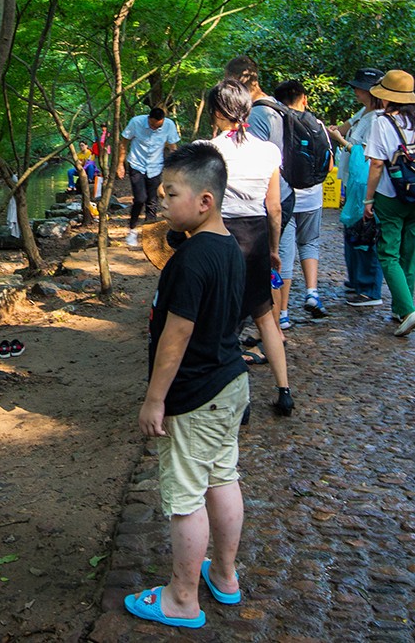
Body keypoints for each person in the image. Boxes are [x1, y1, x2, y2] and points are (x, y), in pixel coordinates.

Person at [125, 143, 249, 630]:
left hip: (196, 393)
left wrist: (155, 400)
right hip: (229, 381)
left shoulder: (192, 260)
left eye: (170, 193)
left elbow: (175, 337)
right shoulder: (228, 247)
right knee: (222, 477)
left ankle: (182, 597)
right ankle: (224, 574)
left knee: (185, 496)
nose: (161, 201)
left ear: (205, 201)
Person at [203, 80, 294, 416]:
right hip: (256, 237)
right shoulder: (268, 151)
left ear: (216, 111)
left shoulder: (207, 151)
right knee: (265, 318)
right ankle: (284, 390)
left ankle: (239, 403)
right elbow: (274, 207)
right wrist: (273, 248)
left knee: (223, 322)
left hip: (220, 237)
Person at [363, 70, 415, 337]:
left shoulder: (383, 123)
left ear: (387, 97)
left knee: (388, 255)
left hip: (391, 195)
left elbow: (377, 164)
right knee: (408, 253)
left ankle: (409, 311)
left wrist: (368, 198)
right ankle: (402, 308)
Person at [224, 57, 294, 331]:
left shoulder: (257, 114)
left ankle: (264, 332)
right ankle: (274, 332)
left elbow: (257, 163)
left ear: (240, 79)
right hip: (284, 193)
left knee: (261, 271)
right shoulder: (277, 107)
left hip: (267, 200)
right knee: (267, 269)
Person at [273, 80, 334, 324]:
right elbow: (328, 165)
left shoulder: (277, 123)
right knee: (309, 243)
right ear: (304, 98)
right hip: (313, 196)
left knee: (285, 253)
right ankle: (312, 293)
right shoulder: (317, 123)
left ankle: (284, 314)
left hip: (286, 197)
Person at [328, 68, 385, 307]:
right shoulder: (364, 113)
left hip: (368, 183)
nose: (355, 91)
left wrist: (342, 142)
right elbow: (343, 129)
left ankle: (370, 288)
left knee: (367, 233)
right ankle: (356, 280)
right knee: (353, 229)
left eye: (359, 87)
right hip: (354, 181)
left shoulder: (380, 119)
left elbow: (369, 155)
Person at [119, 106, 181, 247]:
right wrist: (120, 164)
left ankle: (149, 237)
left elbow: (173, 148)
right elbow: (123, 142)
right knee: (140, 198)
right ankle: (132, 230)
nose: (154, 128)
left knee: (152, 202)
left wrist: (173, 168)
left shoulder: (169, 125)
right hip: (136, 164)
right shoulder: (136, 122)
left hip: (155, 166)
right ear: (149, 118)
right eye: (152, 125)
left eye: (158, 126)